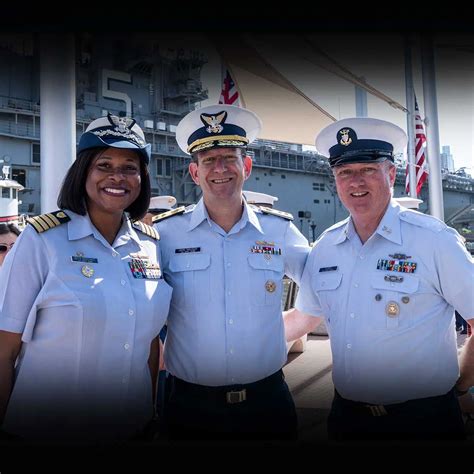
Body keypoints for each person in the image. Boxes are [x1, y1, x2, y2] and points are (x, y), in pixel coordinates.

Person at [285, 117, 474, 441]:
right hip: (348, 420)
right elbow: (304, 317)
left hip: (425, 423)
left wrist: (460, 385)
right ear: (335, 179)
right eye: (345, 172)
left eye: (368, 169)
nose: (356, 181)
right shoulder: (326, 247)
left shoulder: (434, 241)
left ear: (391, 174)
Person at [0, 113, 172, 442]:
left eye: (129, 167)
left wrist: (149, 415)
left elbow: (148, 344)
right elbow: (4, 349)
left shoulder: (151, 246)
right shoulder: (42, 241)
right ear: (83, 172)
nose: (117, 177)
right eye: (104, 165)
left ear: (141, 178)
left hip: (132, 429)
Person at [153, 104, 310, 440]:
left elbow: (324, 286)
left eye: (229, 158)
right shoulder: (166, 234)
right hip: (189, 407)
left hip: (266, 404)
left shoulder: (278, 230)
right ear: (195, 173)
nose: (220, 169)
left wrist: (286, 331)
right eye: (209, 160)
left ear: (247, 166)